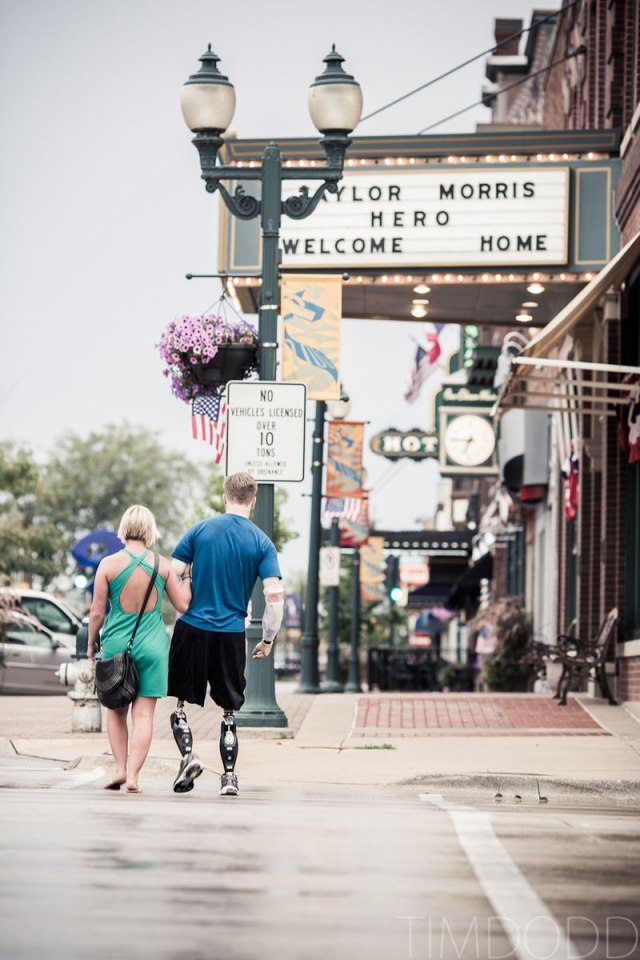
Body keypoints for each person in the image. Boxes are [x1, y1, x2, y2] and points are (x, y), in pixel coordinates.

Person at [168, 471, 284, 797]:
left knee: (179, 704)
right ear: (254, 500)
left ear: (224, 496)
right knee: (229, 710)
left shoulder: (200, 531)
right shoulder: (261, 542)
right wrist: (268, 639)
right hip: (231, 632)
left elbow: (170, 574)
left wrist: (183, 596)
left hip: (191, 627)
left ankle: (188, 756)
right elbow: (275, 599)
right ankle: (229, 777)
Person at [88, 505, 192, 793]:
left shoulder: (108, 565)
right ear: (150, 531)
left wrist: (90, 644)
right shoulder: (163, 565)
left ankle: (119, 768)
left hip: (117, 646)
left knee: (116, 712)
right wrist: (187, 577)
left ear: (124, 529)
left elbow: (96, 612)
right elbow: (182, 605)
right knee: (143, 715)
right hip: (154, 646)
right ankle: (133, 776)